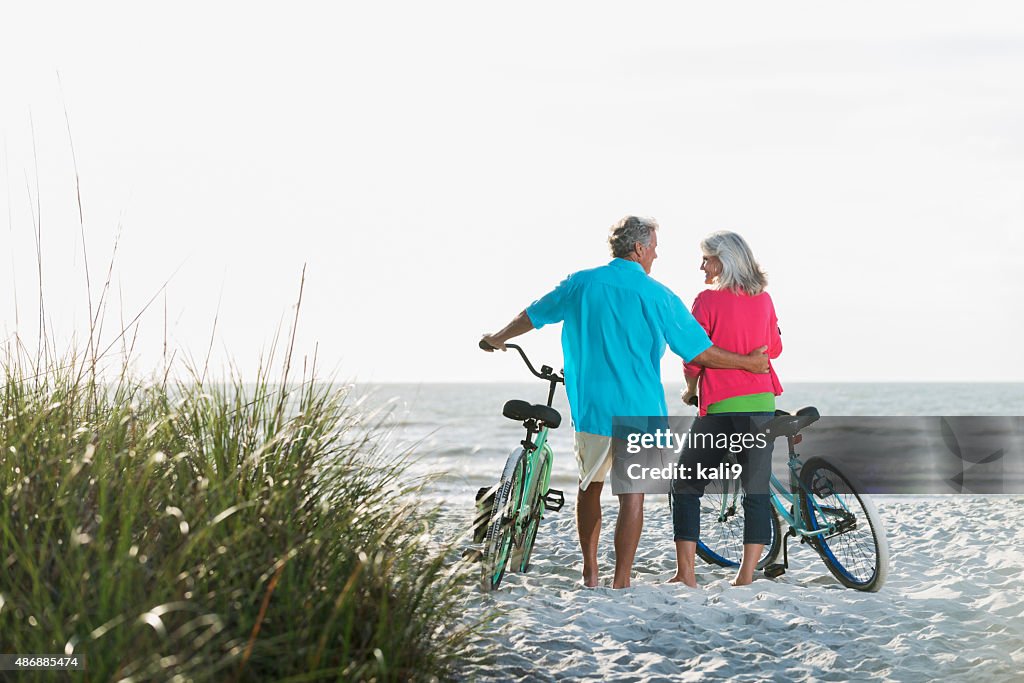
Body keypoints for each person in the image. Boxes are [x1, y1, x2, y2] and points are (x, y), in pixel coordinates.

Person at [481, 216, 770, 589]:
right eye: (653, 246)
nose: (655, 254)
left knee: (590, 487)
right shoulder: (661, 296)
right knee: (632, 498)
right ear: (638, 249)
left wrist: (498, 338)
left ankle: (590, 573)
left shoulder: (581, 283)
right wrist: (749, 363)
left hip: (593, 410)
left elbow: (532, 316)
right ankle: (621, 581)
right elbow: (702, 352)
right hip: (643, 410)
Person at [670, 231, 783, 587]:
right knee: (756, 488)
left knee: (685, 484)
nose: (702, 265)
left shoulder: (705, 301)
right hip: (762, 403)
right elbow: (774, 351)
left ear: (724, 260)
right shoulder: (763, 300)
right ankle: (745, 576)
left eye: (707, 258)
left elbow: (693, 356)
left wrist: (691, 390)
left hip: (721, 407)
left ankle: (686, 574)